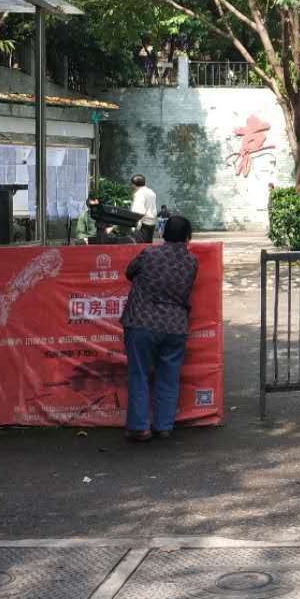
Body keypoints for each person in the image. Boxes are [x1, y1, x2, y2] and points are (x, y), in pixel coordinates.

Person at [120, 214, 198, 442]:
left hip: (141, 322)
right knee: (169, 377)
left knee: (139, 374)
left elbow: (129, 272)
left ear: (163, 233)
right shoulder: (192, 262)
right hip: (175, 326)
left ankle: (139, 428)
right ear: (187, 237)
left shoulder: (149, 254)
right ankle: (164, 426)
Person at [131, 174, 158, 242]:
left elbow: (138, 212)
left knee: (141, 246)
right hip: (151, 223)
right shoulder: (151, 192)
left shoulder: (139, 194)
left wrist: (135, 227)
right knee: (148, 245)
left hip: (143, 224)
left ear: (134, 184)